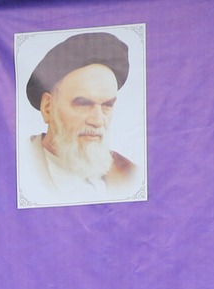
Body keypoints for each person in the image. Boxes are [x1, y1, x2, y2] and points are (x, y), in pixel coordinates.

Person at [18, 30, 144, 206]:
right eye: (83, 104)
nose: (98, 120)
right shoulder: (19, 168)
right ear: (48, 107)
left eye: (107, 105)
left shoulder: (130, 174)